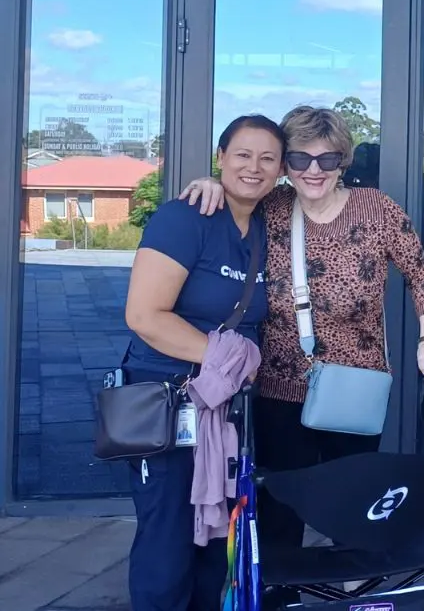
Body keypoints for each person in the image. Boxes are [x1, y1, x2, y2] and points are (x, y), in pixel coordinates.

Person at [178, 105, 424, 606]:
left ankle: (356, 596)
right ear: (286, 162)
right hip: (281, 388)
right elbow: (236, 192)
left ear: (344, 161)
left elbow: (422, 272)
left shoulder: (375, 208)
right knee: (282, 507)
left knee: (353, 503)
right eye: (300, 157)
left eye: (328, 160)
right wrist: (211, 183)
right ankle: (282, 599)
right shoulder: (272, 206)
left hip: (356, 388)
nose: (313, 171)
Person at [122, 114, 283, 611]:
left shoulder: (260, 227)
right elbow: (144, 315)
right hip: (167, 406)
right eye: (242, 155)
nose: (253, 168)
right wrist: (228, 357)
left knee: (216, 544)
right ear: (220, 158)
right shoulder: (185, 217)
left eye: (267, 158)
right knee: (167, 545)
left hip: (223, 412)